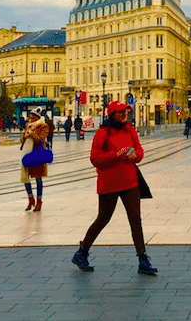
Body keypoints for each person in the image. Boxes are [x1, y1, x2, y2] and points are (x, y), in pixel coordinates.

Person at [72, 100, 156, 275]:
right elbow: (95, 158)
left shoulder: (130, 130)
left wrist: (135, 156)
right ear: (111, 115)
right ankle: (82, 252)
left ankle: (142, 259)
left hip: (130, 181)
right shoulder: (103, 133)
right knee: (103, 218)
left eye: (125, 111)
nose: (123, 115)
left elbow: (140, 152)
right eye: (119, 112)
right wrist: (116, 155)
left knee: (135, 219)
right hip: (109, 182)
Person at [21, 107, 49, 212]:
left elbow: (41, 139)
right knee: (25, 178)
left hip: (37, 154)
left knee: (38, 179)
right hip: (26, 153)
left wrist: (31, 134)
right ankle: (30, 199)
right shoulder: (28, 126)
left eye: (33, 118)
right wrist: (24, 136)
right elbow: (22, 140)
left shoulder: (43, 126)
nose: (30, 120)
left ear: (37, 118)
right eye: (30, 118)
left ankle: (39, 201)